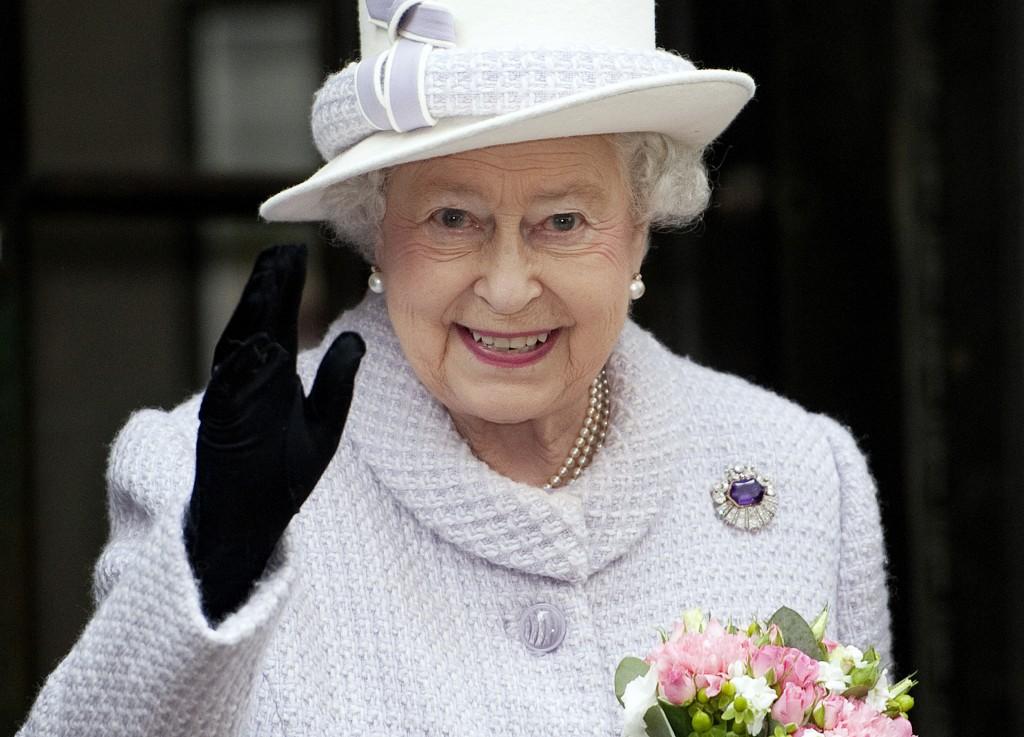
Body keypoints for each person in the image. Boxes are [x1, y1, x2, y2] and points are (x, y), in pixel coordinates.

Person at [18, 0, 892, 735]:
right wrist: (215, 568)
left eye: (561, 221)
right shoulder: (198, 479)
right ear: (374, 230)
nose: (508, 288)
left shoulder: (799, 475)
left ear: (641, 225)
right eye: (450, 218)